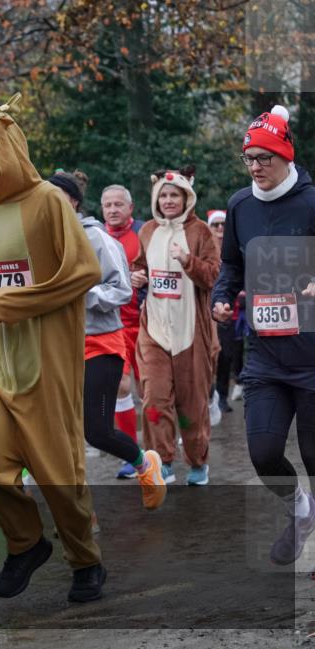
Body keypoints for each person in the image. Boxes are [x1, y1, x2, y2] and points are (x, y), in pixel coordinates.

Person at [0, 93, 106, 603]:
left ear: (9, 148)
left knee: (59, 475)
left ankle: (86, 560)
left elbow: (84, 271)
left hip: (47, 361)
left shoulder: (48, 201)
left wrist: (14, 301)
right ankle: (25, 543)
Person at [212, 104, 315, 566]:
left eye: (264, 158)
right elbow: (231, 264)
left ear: (285, 156)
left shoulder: (311, 202)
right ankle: (302, 512)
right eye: (249, 159)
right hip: (265, 355)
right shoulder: (240, 205)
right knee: (264, 454)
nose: (255, 167)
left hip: (312, 355)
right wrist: (221, 296)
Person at [49, 171, 166, 511]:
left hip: (100, 344)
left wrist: (77, 294)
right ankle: (75, 509)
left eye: (57, 196)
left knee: (96, 432)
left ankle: (145, 464)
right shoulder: (40, 240)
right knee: (56, 430)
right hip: (59, 347)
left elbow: (122, 289)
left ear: (73, 201)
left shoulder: (96, 237)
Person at [130, 164, 220, 487]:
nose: (168, 201)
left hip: (190, 331)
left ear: (186, 198)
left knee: (191, 405)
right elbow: (140, 267)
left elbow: (213, 276)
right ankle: (161, 461)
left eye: (174, 195)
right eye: (163, 195)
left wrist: (188, 261)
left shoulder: (201, 232)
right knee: (154, 400)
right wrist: (137, 277)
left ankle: (198, 462)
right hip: (154, 330)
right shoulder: (147, 231)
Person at [101, 185, 146, 478]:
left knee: (151, 390)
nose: (113, 209)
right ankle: (132, 454)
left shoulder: (144, 233)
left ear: (130, 208)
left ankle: (161, 447)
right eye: (108, 205)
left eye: (119, 204)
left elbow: (164, 270)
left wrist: (146, 278)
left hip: (146, 323)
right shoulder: (95, 237)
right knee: (121, 386)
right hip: (113, 325)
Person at [207, 209, 244, 414]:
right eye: (215, 224)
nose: (220, 228)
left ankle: (221, 396)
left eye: (224, 224)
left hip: (232, 313)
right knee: (210, 356)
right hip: (206, 313)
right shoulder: (203, 248)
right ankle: (208, 396)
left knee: (227, 355)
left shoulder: (236, 247)